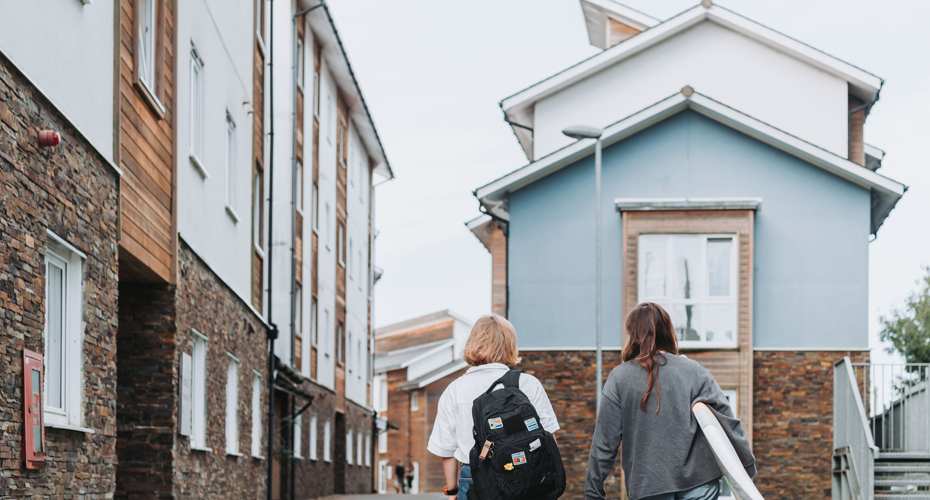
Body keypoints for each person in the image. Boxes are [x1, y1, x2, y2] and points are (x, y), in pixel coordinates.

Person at [585, 302, 756, 500]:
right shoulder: (695, 371)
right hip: (699, 481)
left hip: (648, 484)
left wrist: (593, 492)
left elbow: (604, 443)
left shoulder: (619, 378)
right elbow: (727, 423)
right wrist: (746, 467)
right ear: (667, 330)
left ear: (633, 334)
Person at [428, 314, 560, 500]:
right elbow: (549, 438)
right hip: (524, 478)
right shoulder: (528, 383)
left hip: (474, 479)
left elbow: (447, 450)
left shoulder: (454, 390)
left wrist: (452, 491)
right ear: (509, 344)